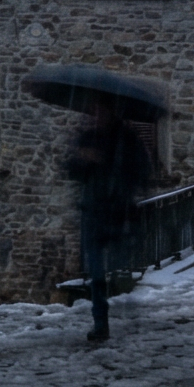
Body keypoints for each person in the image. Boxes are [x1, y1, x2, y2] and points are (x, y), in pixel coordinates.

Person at [65, 99, 156, 343]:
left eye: (100, 110)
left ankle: (127, 306)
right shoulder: (88, 138)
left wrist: (111, 164)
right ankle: (100, 322)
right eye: (94, 111)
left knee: (118, 268)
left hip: (119, 212)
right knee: (96, 273)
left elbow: (143, 170)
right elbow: (70, 169)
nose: (96, 115)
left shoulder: (128, 140)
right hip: (93, 211)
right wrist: (83, 159)